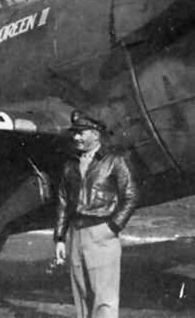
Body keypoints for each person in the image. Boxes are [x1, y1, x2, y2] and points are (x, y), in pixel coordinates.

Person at [54, 110, 139, 318]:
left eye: (81, 132)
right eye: (74, 133)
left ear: (95, 133)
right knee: (82, 296)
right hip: (75, 234)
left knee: (104, 299)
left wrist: (113, 227)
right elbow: (63, 202)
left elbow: (131, 196)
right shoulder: (70, 164)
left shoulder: (115, 161)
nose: (76, 137)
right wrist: (59, 238)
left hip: (101, 232)